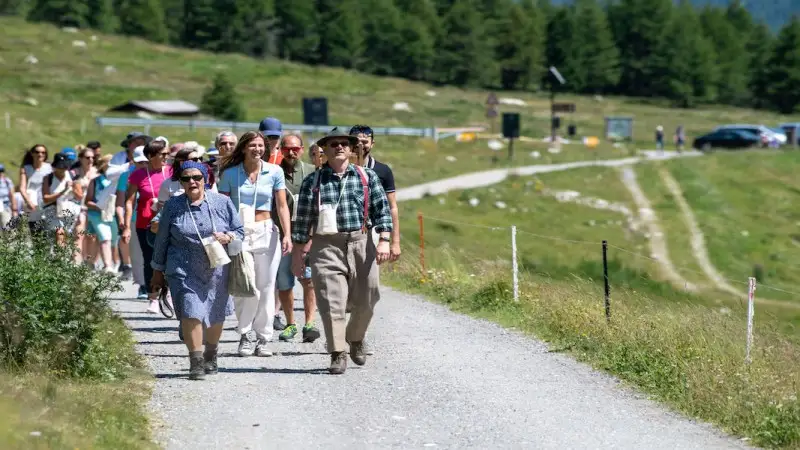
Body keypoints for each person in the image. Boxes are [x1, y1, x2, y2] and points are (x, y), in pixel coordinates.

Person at [291, 128, 392, 375]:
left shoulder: (366, 177)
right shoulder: (312, 182)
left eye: (344, 144)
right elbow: (303, 221)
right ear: (323, 150)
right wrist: (297, 255)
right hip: (325, 245)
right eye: (333, 144)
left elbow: (382, 210)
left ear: (351, 149)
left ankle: (355, 338)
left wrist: (385, 240)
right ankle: (338, 352)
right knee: (331, 301)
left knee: (369, 297)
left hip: (361, 241)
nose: (339, 147)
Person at [151, 161, 244, 380]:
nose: (192, 182)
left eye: (197, 177)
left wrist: (228, 236)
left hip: (216, 268)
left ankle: (211, 353)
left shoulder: (222, 202)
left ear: (206, 179)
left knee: (215, 313)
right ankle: (196, 360)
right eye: (186, 178)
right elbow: (162, 240)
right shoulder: (173, 206)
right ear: (181, 182)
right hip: (182, 268)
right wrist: (157, 271)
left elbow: (240, 231)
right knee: (191, 311)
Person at [218, 131, 292, 357]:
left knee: (267, 286)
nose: (258, 149)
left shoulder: (274, 171)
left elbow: (281, 205)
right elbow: (222, 206)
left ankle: (263, 337)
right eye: (253, 145)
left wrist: (287, 234)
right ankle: (245, 333)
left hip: (266, 230)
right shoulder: (230, 174)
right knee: (245, 285)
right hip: (239, 232)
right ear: (243, 148)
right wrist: (223, 234)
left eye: (261, 146)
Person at [273, 134, 321, 343]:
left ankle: (310, 323)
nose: (291, 153)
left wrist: (311, 236)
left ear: (302, 150)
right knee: (284, 280)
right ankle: (290, 322)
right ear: (281, 150)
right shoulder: (273, 172)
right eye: (286, 149)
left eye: (295, 149)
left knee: (308, 279)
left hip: (306, 234)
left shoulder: (312, 172)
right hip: (280, 236)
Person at [123, 140, 173, 313]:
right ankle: (153, 298)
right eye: (163, 154)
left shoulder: (172, 172)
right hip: (144, 223)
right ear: (151, 156)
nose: (167, 157)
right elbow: (128, 201)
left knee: (169, 259)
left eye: (167, 154)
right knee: (150, 261)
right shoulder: (138, 175)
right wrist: (126, 226)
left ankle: (168, 294)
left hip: (169, 223)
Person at [41, 152, 83, 248]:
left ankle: (62, 257)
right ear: (55, 166)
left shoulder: (73, 177)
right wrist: (63, 191)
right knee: (59, 232)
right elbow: (46, 198)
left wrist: (72, 188)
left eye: (65, 167)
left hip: (69, 210)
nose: (62, 169)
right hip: (52, 209)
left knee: (66, 236)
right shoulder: (48, 178)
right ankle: (60, 258)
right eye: (60, 167)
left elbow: (79, 196)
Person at [84, 155, 119, 272]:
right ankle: (107, 266)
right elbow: (87, 201)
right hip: (96, 214)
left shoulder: (118, 180)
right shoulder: (95, 180)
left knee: (112, 239)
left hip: (112, 215)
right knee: (105, 237)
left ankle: (91, 263)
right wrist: (99, 207)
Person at [19, 144, 53, 235]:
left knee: (49, 233)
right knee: (36, 233)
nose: (40, 154)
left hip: (47, 203)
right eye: (37, 152)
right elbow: (22, 188)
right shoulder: (26, 169)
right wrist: (28, 201)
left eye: (43, 152)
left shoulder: (50, 168)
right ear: (32, 154)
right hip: (32, 204)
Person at [0, 164, 18, 228]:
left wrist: (14, 209)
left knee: (7, 228)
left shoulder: (7, 181)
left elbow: (12, 195)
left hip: (5, 207)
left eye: (1, 171)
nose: (1, 173)